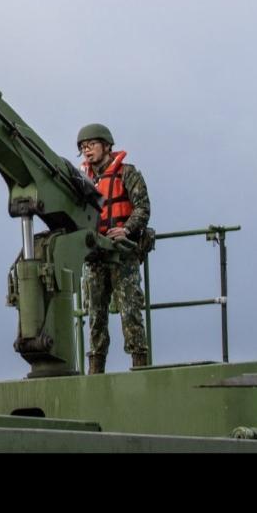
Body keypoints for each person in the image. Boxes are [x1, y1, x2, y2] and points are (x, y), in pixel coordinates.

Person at [77, 121, 153, 372]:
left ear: (107, 146)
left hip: (122, 254)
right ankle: (95, 369)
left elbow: (142, 208)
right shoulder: (82, 180)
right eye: (83, 147)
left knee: (130, 311)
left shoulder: (127, 173)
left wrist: (126, 229)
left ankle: (140, 366)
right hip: (95, 255)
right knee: (94, 315)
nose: (87, 150)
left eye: (92, 144)